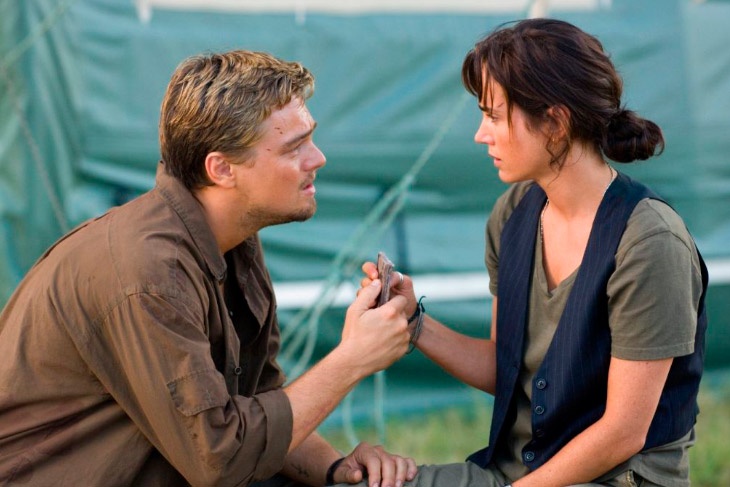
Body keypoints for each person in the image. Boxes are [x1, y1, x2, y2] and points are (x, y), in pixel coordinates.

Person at [0, 50, 418, 487]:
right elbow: (219, 460)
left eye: (310, 139)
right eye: (294, 147)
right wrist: (352, 359)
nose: (318, 159)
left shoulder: (232, 239)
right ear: (221, 169)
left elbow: (260, 405)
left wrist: (336, 468)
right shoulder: (151, 274)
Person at [359, 18, 708, 487]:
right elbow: (505, 367)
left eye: (493, 116)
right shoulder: (513, 214)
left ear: (556, 124)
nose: (481, 134)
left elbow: (623, 432)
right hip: (516, 472)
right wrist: (412, 322)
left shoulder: (649, 242)